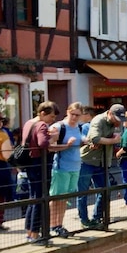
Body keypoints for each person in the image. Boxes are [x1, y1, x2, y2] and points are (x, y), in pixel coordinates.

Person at [77, 104, 124, 228]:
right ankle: (84, 221)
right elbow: (95, 138)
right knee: (83, 192)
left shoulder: (116, 123)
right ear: (110, 113)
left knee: (105, 190)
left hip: (103, 161)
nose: (118, 122)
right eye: (117, 119)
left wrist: (111, 139)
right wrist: (112, 141)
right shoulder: (98, 120)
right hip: (87, 160)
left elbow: (118, 137)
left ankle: (96, 218)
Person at [22, 101, 60, 242]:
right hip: (39, 165)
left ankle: (29, 232)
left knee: (34, 198)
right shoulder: (42, 125)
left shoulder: (29, 123)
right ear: (43, 113)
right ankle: (37, 234)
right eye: (51, 116)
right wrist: (53, 138)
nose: (53, 120)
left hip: (30, 164)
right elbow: (43, 143)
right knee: (41, 198)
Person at [48, 102, 85, 238]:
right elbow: (50, 147)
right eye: (72, 114)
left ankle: (60, 224)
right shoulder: (59, 127)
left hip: (75, 166)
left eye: (77, 115)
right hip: (61, 167)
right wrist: (66, 145)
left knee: (65, 198)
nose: (74, 117)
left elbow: (81, 141)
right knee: (57, 197)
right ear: (67, 112)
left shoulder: (79, 127)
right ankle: (53, 225)